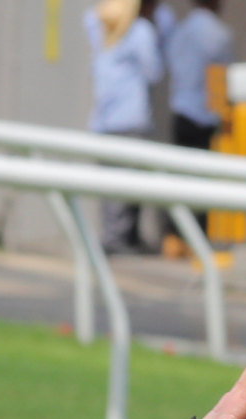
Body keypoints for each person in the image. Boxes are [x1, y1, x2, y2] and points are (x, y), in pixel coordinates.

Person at [86, 0, 163, 252]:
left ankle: (115, 237)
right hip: (131, 117)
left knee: (111, 183)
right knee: (129, 183)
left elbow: (91, 15)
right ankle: (119, 239)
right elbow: (154, 71)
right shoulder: (140, 31)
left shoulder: (98, 26)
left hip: (104, 119)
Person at [157, 0, 232, 249]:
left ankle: (173, 236)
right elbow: (223, 78)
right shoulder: (219, 34)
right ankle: (197, 239)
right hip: (206, 114)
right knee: (203, 182)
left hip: (181, 111)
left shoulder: (180, 31)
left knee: (179, 177)